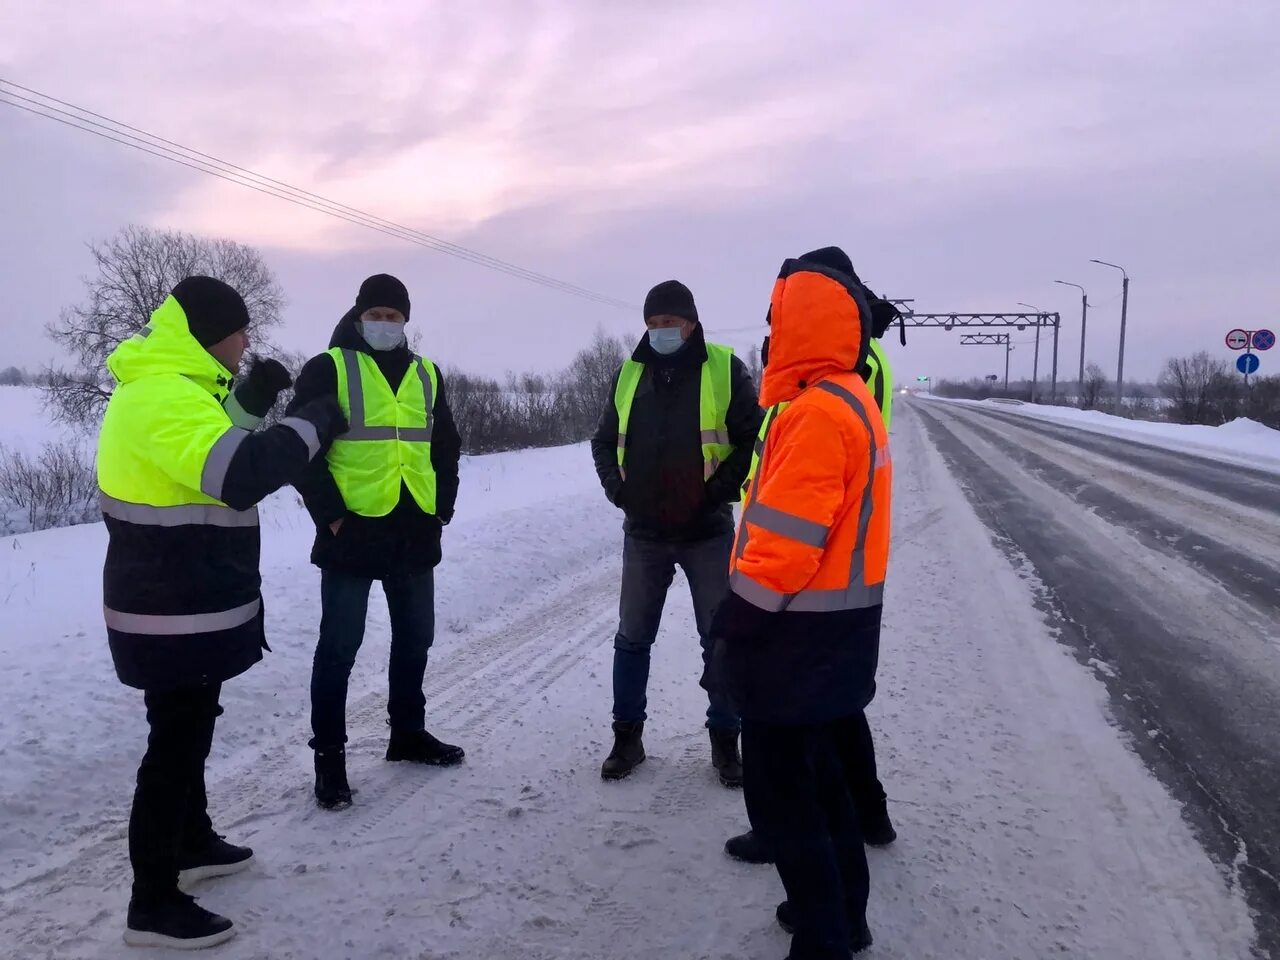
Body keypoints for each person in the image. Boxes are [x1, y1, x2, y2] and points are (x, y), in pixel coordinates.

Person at [98, 276, 346, 949]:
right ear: (211, 333)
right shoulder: (160, 396)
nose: (246, 343)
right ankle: (152, 904)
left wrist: (247, 405)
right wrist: (312, 421)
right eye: (240, 332)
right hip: (167, 603)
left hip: (185, 596)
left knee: (193, 722)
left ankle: (191, 840)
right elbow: (236, 476)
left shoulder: (177, 391)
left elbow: (202, 458)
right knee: (173, 744)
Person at [710, 253, 892, 956]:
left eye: (775, 320)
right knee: (827, 787)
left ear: (801, 325)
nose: (767, 334)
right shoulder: (851, 399)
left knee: (785, 802)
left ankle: (824, 938)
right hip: (837, 632)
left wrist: (737, 624)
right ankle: (846, 917)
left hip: (795, 636)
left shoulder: (815, 414)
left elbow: (785, 546)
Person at [288, 274, 463, 810]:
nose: (386, 324)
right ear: (359, 314)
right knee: (339, 648)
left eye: (395, 315)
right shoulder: (329, 367)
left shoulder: (427, 373)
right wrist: (331, 517)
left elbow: (446, 445)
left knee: (416, 639)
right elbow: (299, 447)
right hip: (354, 531)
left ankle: (407, 734)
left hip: (413, 527)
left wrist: (442, 506)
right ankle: (330, 761)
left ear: (406, 321)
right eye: (377, 313)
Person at [590, 280, 762, 786]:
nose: (662, 331)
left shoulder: (725, 369)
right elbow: (602, 441)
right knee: (632, 640)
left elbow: (753, 440)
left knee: (720, 639)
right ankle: (628, 739)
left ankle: (725, 745)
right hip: (644, 533)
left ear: (690, 322)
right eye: (654, 323)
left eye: (671, 323)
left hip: (706, 532)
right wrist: (619, 493)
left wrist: (715, 494)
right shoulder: (628, 374)